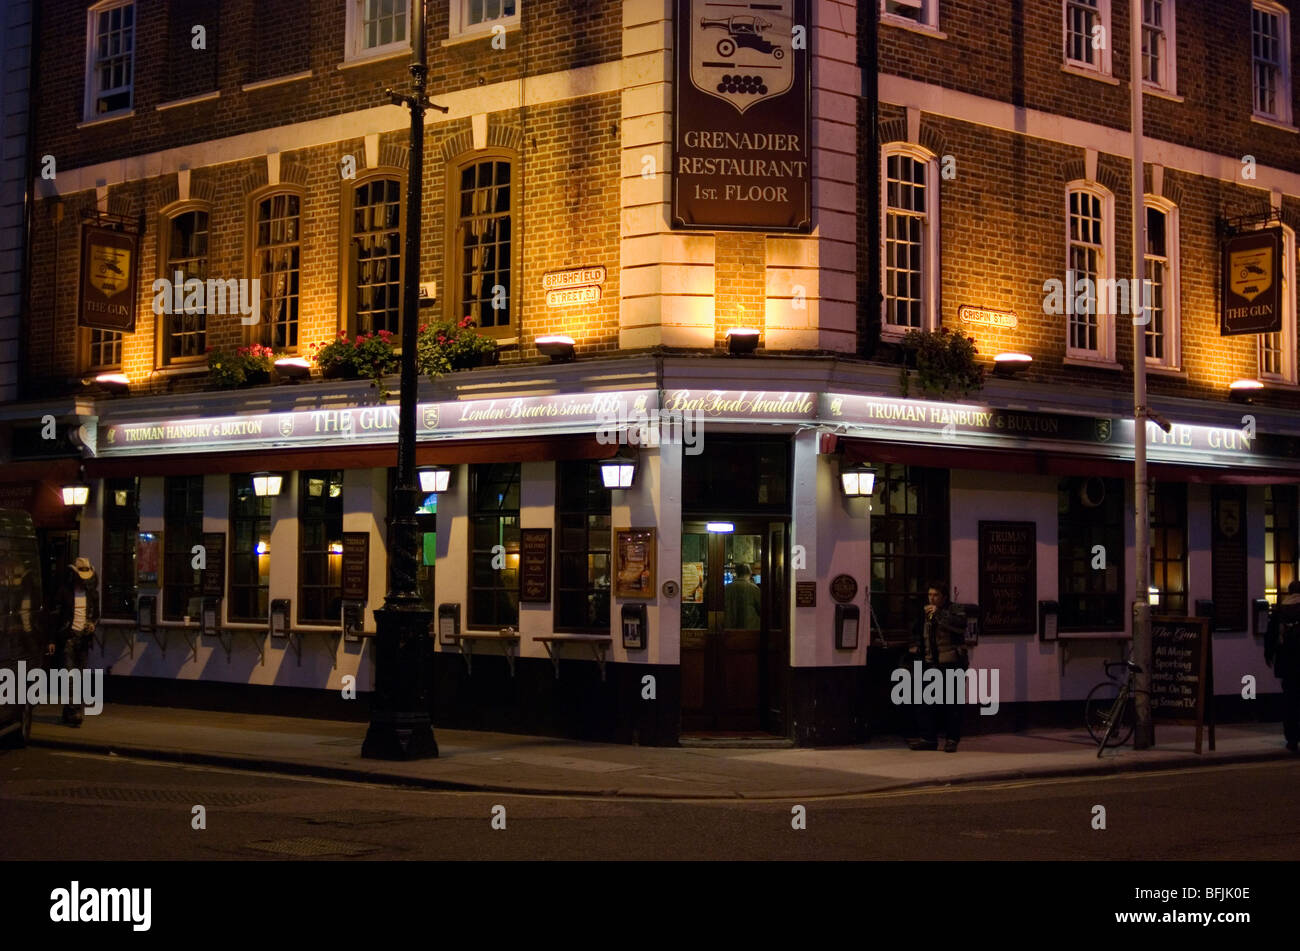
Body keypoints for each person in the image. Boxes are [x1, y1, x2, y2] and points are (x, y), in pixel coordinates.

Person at [907, 581, 969, 752]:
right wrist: (915, 646)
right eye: (930, 595)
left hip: (951, 663)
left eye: (935, 595)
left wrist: (940, 614)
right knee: (925, 702)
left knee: (953, 704)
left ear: (944, 597)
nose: (931, 598)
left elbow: (960, 626)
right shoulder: (925, 612)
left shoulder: (955, 609)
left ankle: (952, 740)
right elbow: (916, 631)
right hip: (931, 662)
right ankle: (928, 739)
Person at [50, 557, 100, 726]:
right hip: (68, 637)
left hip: (84, 639)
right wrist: (52, 639)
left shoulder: (92, 594)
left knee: (80, 677)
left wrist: (92, 625)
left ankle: (71, 710)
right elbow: (55, 617)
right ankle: (73, 712)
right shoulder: (64, 592)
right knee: (71, 676)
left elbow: (96, 615)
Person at [1264, 579, 1300, 753]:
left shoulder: (1280, 611)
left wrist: (1269, 655)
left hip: (1286, 663)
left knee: (1290, 700)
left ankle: (1291, 739)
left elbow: (1270, 635)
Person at [724, 562, 762, 629]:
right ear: (749, 573)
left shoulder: (727, 588)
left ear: (736, 573)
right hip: (751, 628)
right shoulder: (754, 588)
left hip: (730, 628)